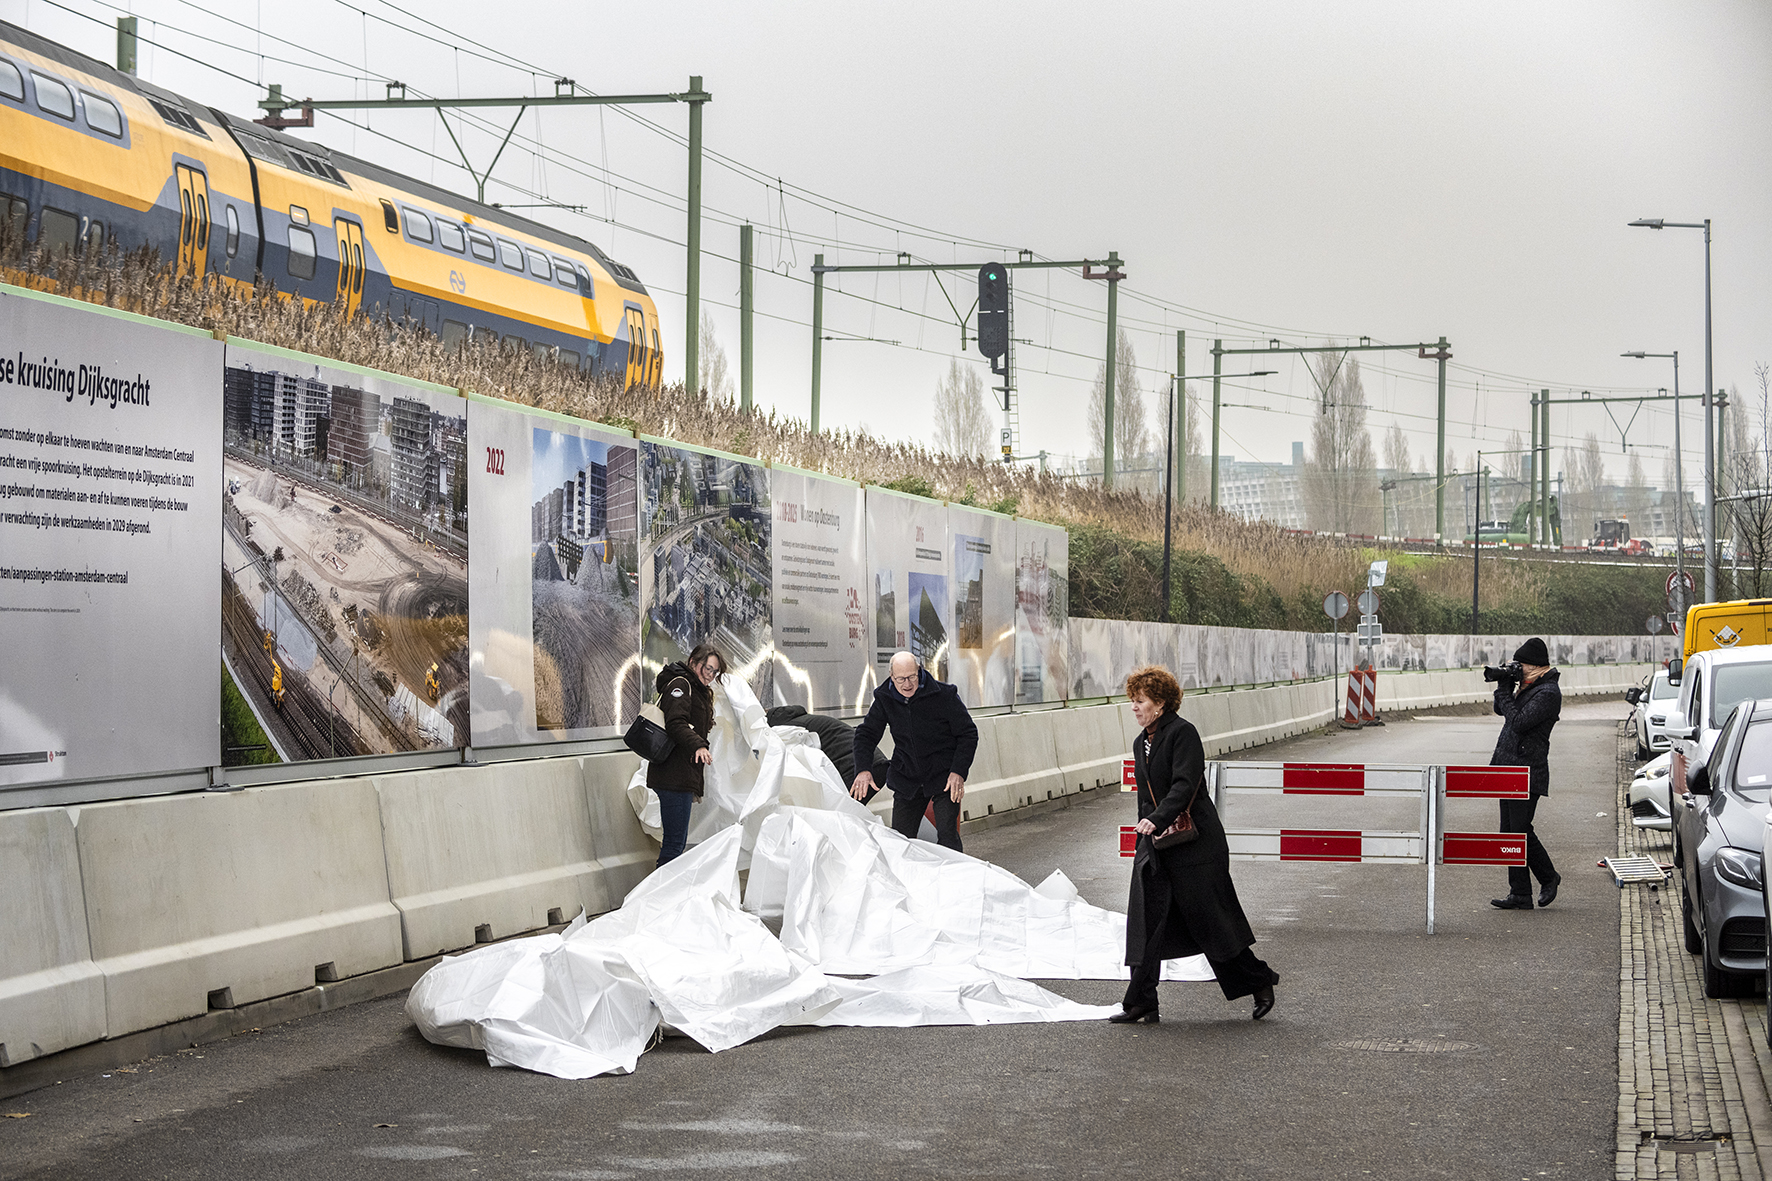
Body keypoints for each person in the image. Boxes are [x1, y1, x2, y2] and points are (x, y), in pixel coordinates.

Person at [1115, 665, 1278, 1024]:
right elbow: (1147, 795)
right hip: (1156, 846)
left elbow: (1184, 785)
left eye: (1139, 701)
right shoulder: (1141, 741)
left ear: (1159, 703)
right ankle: (1141, 1000)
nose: (1134, 707)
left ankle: (1260, 979)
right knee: (1146, 922)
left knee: (1212, 924)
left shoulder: (1183, 733)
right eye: (1133, 701)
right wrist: (1146, 834)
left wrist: (1156, 819)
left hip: (1195, 846)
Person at [850, 651, 978, 851]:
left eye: (911, 677)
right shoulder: (884, 697)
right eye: (900, 679)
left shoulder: (944, 695)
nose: (907, 684)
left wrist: (958, 772)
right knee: (901, 841)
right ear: (892, 676)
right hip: (906, 775)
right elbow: (865, 734)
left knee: (947, 835)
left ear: (919, 671)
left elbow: (968, 734)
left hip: (942, 775)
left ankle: (954, 877)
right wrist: (863, 769)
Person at [1488, 637, 1563, 910]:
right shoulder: (1528, 686)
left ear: (1538, 667)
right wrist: (1506, 684)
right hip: (1507, 768)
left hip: (1528, 771)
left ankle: (1548, 876)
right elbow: (1501, 709)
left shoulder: (1548, 693)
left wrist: (1507, 692)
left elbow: (1518, 723)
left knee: (1520, 830)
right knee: (1508, 833)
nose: (1518, 669)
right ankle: (1519, 893)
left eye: (1522, 666)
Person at [646, 643, 724, 866]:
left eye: (714, 671)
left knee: (675, 842)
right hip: (674, 775)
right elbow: (676, 722)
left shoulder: (695, 687)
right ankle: (659, 897)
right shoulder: (681, 684)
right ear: (693, 663)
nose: (710, 675)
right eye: (707, 668)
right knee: (674, 843)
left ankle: (662, 895)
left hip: (680, 774)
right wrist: (699, 745)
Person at [765, 703, 890, 797]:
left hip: (858, 769)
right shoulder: (808, 719)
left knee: (845, 814)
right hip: (873, 764)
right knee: (848, 815)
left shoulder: (790, 730)